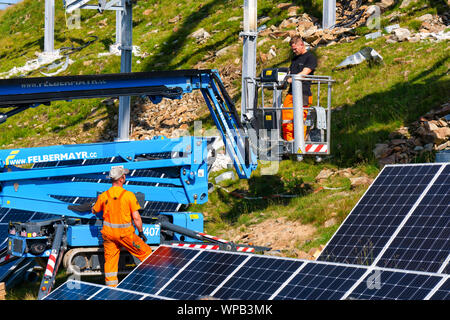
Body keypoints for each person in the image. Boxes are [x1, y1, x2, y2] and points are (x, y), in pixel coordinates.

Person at [92, 165, 152, 287]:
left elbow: (94, 210)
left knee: (110, 262)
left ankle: (111, 289)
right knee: (146, 253)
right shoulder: (128, 195)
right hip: (126, 235)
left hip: (109, 236)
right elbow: (136, 217)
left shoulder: (104, 196)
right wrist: (141, 232)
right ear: (122, 179)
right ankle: (156, 280)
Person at [282, 36, 318, 141]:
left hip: (303, 93)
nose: (294, 51)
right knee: (286, 117)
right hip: (291, 93)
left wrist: (291, 79)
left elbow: (305, 73)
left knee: (300, 119)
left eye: (295, 48)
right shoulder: (295, 59)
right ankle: (288, 142)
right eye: (292, 49)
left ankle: (300, 143)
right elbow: (290, 72)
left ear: (301, 45)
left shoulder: (310, 57)